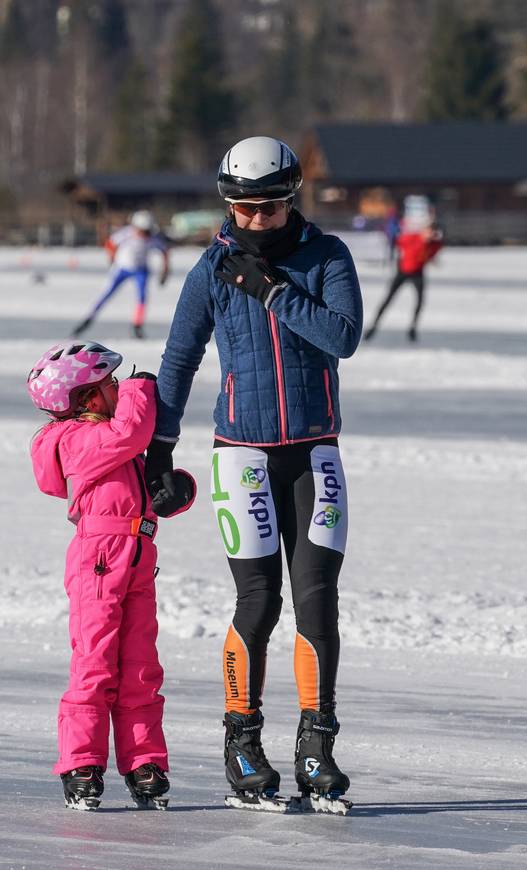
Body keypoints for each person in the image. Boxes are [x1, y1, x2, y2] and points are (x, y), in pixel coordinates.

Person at [144, 136, 363, 813]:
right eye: (242, 207)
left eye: (268, 207)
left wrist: (272, 292)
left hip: (314, 452)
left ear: (290, 200)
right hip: (240, 453)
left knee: (317, 597)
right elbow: (178, 361)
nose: (255, 219)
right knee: (259, 600)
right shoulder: (210, 268)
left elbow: (343, 336)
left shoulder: (327, 256)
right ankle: (242, 743)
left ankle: (315, 748)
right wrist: (159, 446)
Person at [27, 340, 195, 810]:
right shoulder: (72, 440)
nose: (121, 388)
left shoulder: (111, 441)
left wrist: (177, 491)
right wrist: (144, 387)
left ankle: (144, 760)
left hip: (138, 554)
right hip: (98, 559)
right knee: (95, 661)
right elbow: (133, 433)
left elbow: (138, 478)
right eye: (112, 384)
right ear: (88, 399)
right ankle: (81, 762)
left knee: (140, 666)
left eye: (121, 383)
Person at [71, 211, 170, 341]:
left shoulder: (152, 237)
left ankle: (137, 326)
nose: (144, 235)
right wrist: (112, 257)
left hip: (141, 270)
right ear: (135, 227)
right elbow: (110, 243)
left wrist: (165, 270)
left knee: (142, 298)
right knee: (106, 294)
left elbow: (165, 251)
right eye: (142, 231)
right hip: (122, 268)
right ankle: (89, 319)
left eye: (147, 231)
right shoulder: (126, 233)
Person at [363, 222, 444, 343]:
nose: (429, 234)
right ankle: (373, 327)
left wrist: (431, 248)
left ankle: (412, 328)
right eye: (428, 231)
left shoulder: (434, 244)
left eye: (432, 233)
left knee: (420, 301)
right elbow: (400, 243)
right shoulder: (413, 237)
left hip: (418, 273)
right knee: (388, 299)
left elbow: (431, 254)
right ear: (424, 230)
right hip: (403, 271)